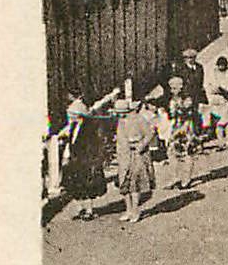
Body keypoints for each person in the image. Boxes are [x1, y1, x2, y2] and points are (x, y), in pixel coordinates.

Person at [59, 87, 111, 220]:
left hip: (86, 160)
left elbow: (93, 145)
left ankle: (89, 210)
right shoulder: (73, 128)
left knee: (88, 186)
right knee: (78, 185)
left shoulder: (88, 129)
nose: (71, 118)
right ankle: (83, 208)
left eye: (73, 115)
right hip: (77, 159)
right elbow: (71, 143)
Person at [112, 96, 158, 225]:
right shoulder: (120, 122)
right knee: (124, 183)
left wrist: (141, 145)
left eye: (121, 112)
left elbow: (150, 133)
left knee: (135, 183)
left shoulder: (139, 119)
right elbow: (121, 137)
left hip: (137, 154)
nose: (119, 115)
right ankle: (128, 209)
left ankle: (135, 210)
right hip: (123, 155)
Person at [164, 76, 201, 191]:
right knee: (171, 152)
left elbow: (187, 113)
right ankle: (175, 177)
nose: (172, 90)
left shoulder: (187, 99)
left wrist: (176, 107)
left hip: (186, 127)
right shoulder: (173, 99)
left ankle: (187, 179)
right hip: (176, 127)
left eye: (174, 88)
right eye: (171, 88)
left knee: (187, 152)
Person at [211, 56, 228, 149]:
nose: (221, 67)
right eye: (220, 66)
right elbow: (212, 88)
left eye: (223, 66)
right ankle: (220, 142)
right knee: (219, 123)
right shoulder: (213, 74)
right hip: (218, 102)